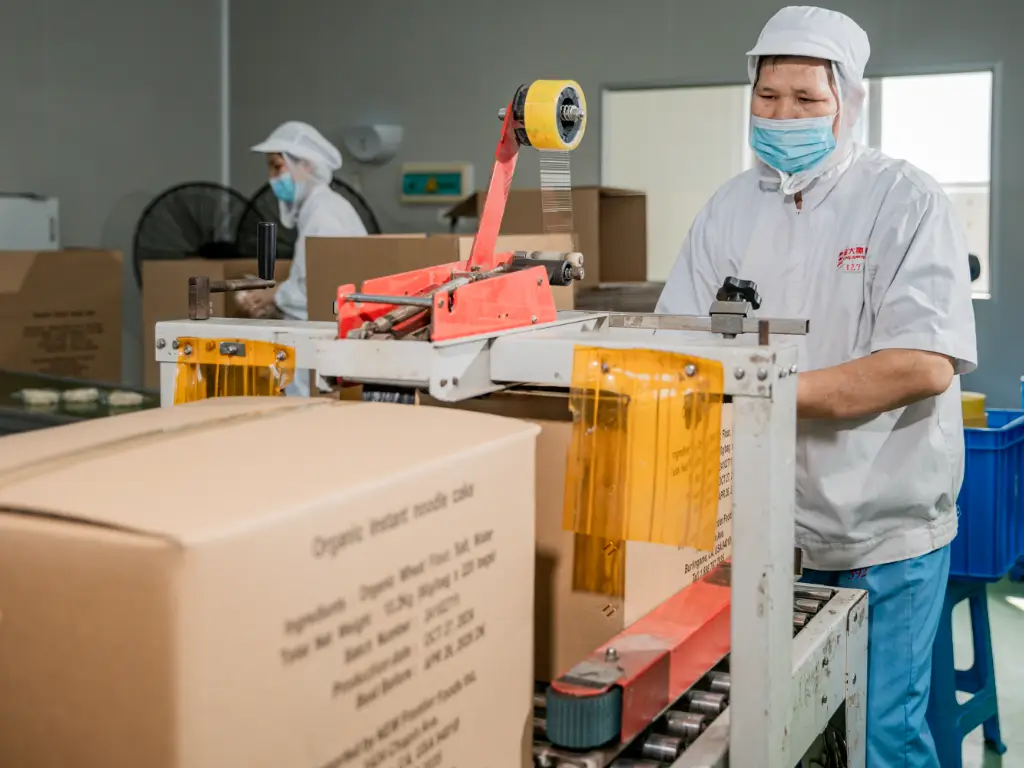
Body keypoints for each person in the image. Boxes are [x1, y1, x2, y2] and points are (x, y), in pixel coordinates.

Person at [656, 6, 976, 765]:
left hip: (880, 532)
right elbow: (676, 342)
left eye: (807, 99)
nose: (784, 115)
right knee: (783, 730)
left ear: (847, 103)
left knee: (882, 736)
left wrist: (759, 392)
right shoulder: (729, 208)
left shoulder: (905, 199)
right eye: (768, 97)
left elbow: (924, 362)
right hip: (768, 532)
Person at [237, 120, 368, 396]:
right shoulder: (318, 210)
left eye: (277, 166)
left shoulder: (324, 216)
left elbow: (321, 291)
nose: (273, 178)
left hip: (322, 347)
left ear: (306, 165)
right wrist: (277, 296)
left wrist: (274, 297)